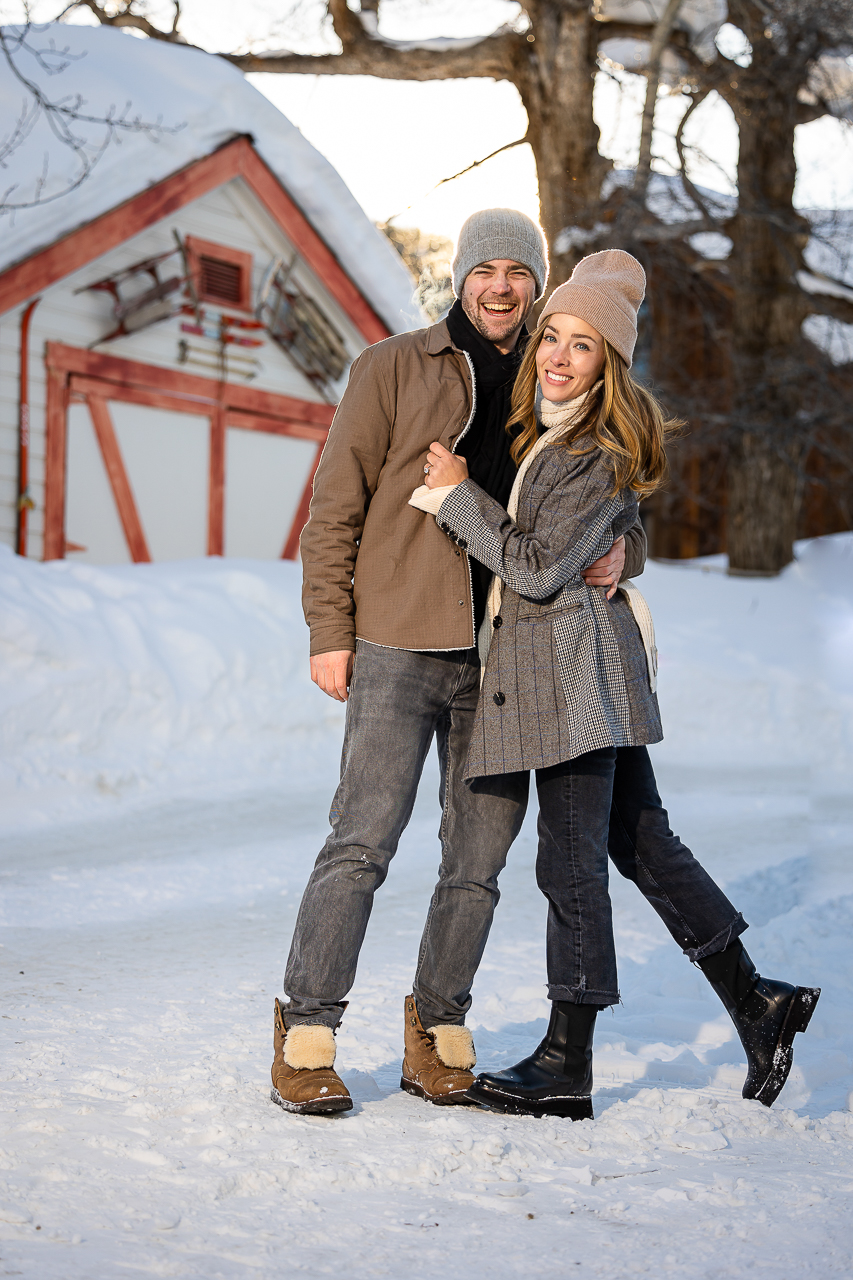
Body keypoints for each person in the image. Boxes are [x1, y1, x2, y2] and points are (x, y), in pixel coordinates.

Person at [412, 249, 820, 1120]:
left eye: (583, 345)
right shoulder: (547, 433)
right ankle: (756, 1000)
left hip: (568, 675)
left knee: (569, 865)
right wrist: (623, 547)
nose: (557, 355)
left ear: (611, 364)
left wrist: (453, 497)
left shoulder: (590, 447)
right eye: (551, 335)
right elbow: (607, 536)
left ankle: (567, 1061)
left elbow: (534, 566)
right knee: (641, 842)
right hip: (585, 665)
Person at [269, 211, 649, 1117]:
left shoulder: (552, 372)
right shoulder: (391, 367)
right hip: (397, 642)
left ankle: (437, 1029)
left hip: (505, 658)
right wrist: (330, 629)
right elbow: (333, 509)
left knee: (477, 859)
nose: (503, 286)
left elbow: (608, 490)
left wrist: (623, 552)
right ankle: (307, 1033)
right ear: (463, 275)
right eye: (488, 267)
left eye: (522, 271)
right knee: (361, 842)